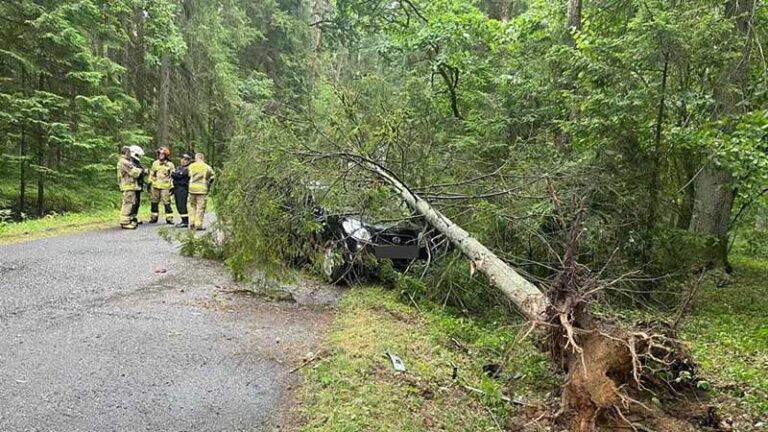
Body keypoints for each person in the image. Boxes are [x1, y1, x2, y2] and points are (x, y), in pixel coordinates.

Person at [116, 146, 145, 230]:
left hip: (130, 185)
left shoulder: (124, 161)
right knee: (128, 203)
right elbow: (134, 173)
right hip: (128, 185)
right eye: (129, 153)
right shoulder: (125, 162)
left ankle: (128, 220)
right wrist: (141, 171)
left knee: (131, 203)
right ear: (127, 153)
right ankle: (125, 223)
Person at [187, 152, 215, 231]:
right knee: (200, 207)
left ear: (196, 158)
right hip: (202, 189)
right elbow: (212, 176)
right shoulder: (207, 167)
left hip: (192, 189)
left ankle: (192, 223)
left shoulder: (191, 166)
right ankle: (198, 224)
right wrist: (208, 182)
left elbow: (189, 175)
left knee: (192, 206)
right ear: (202, 158)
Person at [148, 147, 175, 224]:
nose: (160, 155)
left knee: (166, 202)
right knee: (154, 201)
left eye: (162, 154)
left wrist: (172, 186)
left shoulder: (170, 164)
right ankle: (154, 217)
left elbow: (172, 176)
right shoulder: (155, 163)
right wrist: (149, 182)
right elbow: (151, 173)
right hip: (155, 186)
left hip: (165, 186)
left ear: (166, 155)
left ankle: (169, 218)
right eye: (159, 154)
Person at [171, 153, 192, 228]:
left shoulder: (188, 168)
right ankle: (183, 220)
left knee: (182, 204)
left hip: (183, 188)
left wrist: (173, 174)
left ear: (188, 161)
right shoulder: (179, 168)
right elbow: (175, 175)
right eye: (183, 159)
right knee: (178, 205)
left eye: (186, 160)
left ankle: (185, 221)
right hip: (176, 188)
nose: (184, 161)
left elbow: (179, 176)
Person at [128, 145, 147, 225]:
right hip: (133, 185)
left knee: (137, 202)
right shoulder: (131, 162)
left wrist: (144, 171)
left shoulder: (136, 162)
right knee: (133, 202)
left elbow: (141, 170)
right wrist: (143, 171)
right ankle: (130, 218)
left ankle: (134, 217)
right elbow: (135, 173)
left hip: (138, 185)